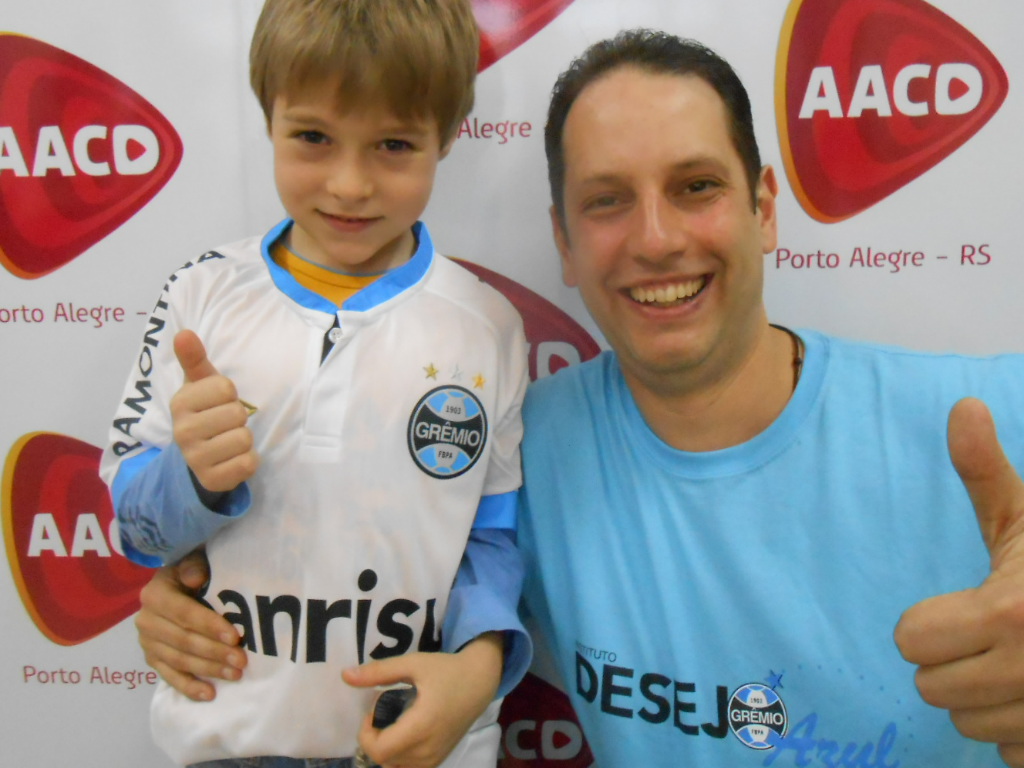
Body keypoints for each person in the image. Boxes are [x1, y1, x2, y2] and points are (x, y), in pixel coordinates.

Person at [130, 28, 1024, 768]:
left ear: (765, 208)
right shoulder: (537, 445)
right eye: (606, 202)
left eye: (696, 187)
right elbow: (371, 555)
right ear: (562, 241)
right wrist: (188, 582)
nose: (657, 238)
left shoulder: (984, 417)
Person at [99, 1, 531, 767]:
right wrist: (189, 479)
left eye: (394, 144)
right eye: (313, 137)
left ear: (446, 140)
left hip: (423, 748)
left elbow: (492, 540)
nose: (350, 183)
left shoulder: (486, 326)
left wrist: (479, 663)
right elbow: (137, 533)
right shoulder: (200, 298)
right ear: (268, 119)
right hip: (225, 740)